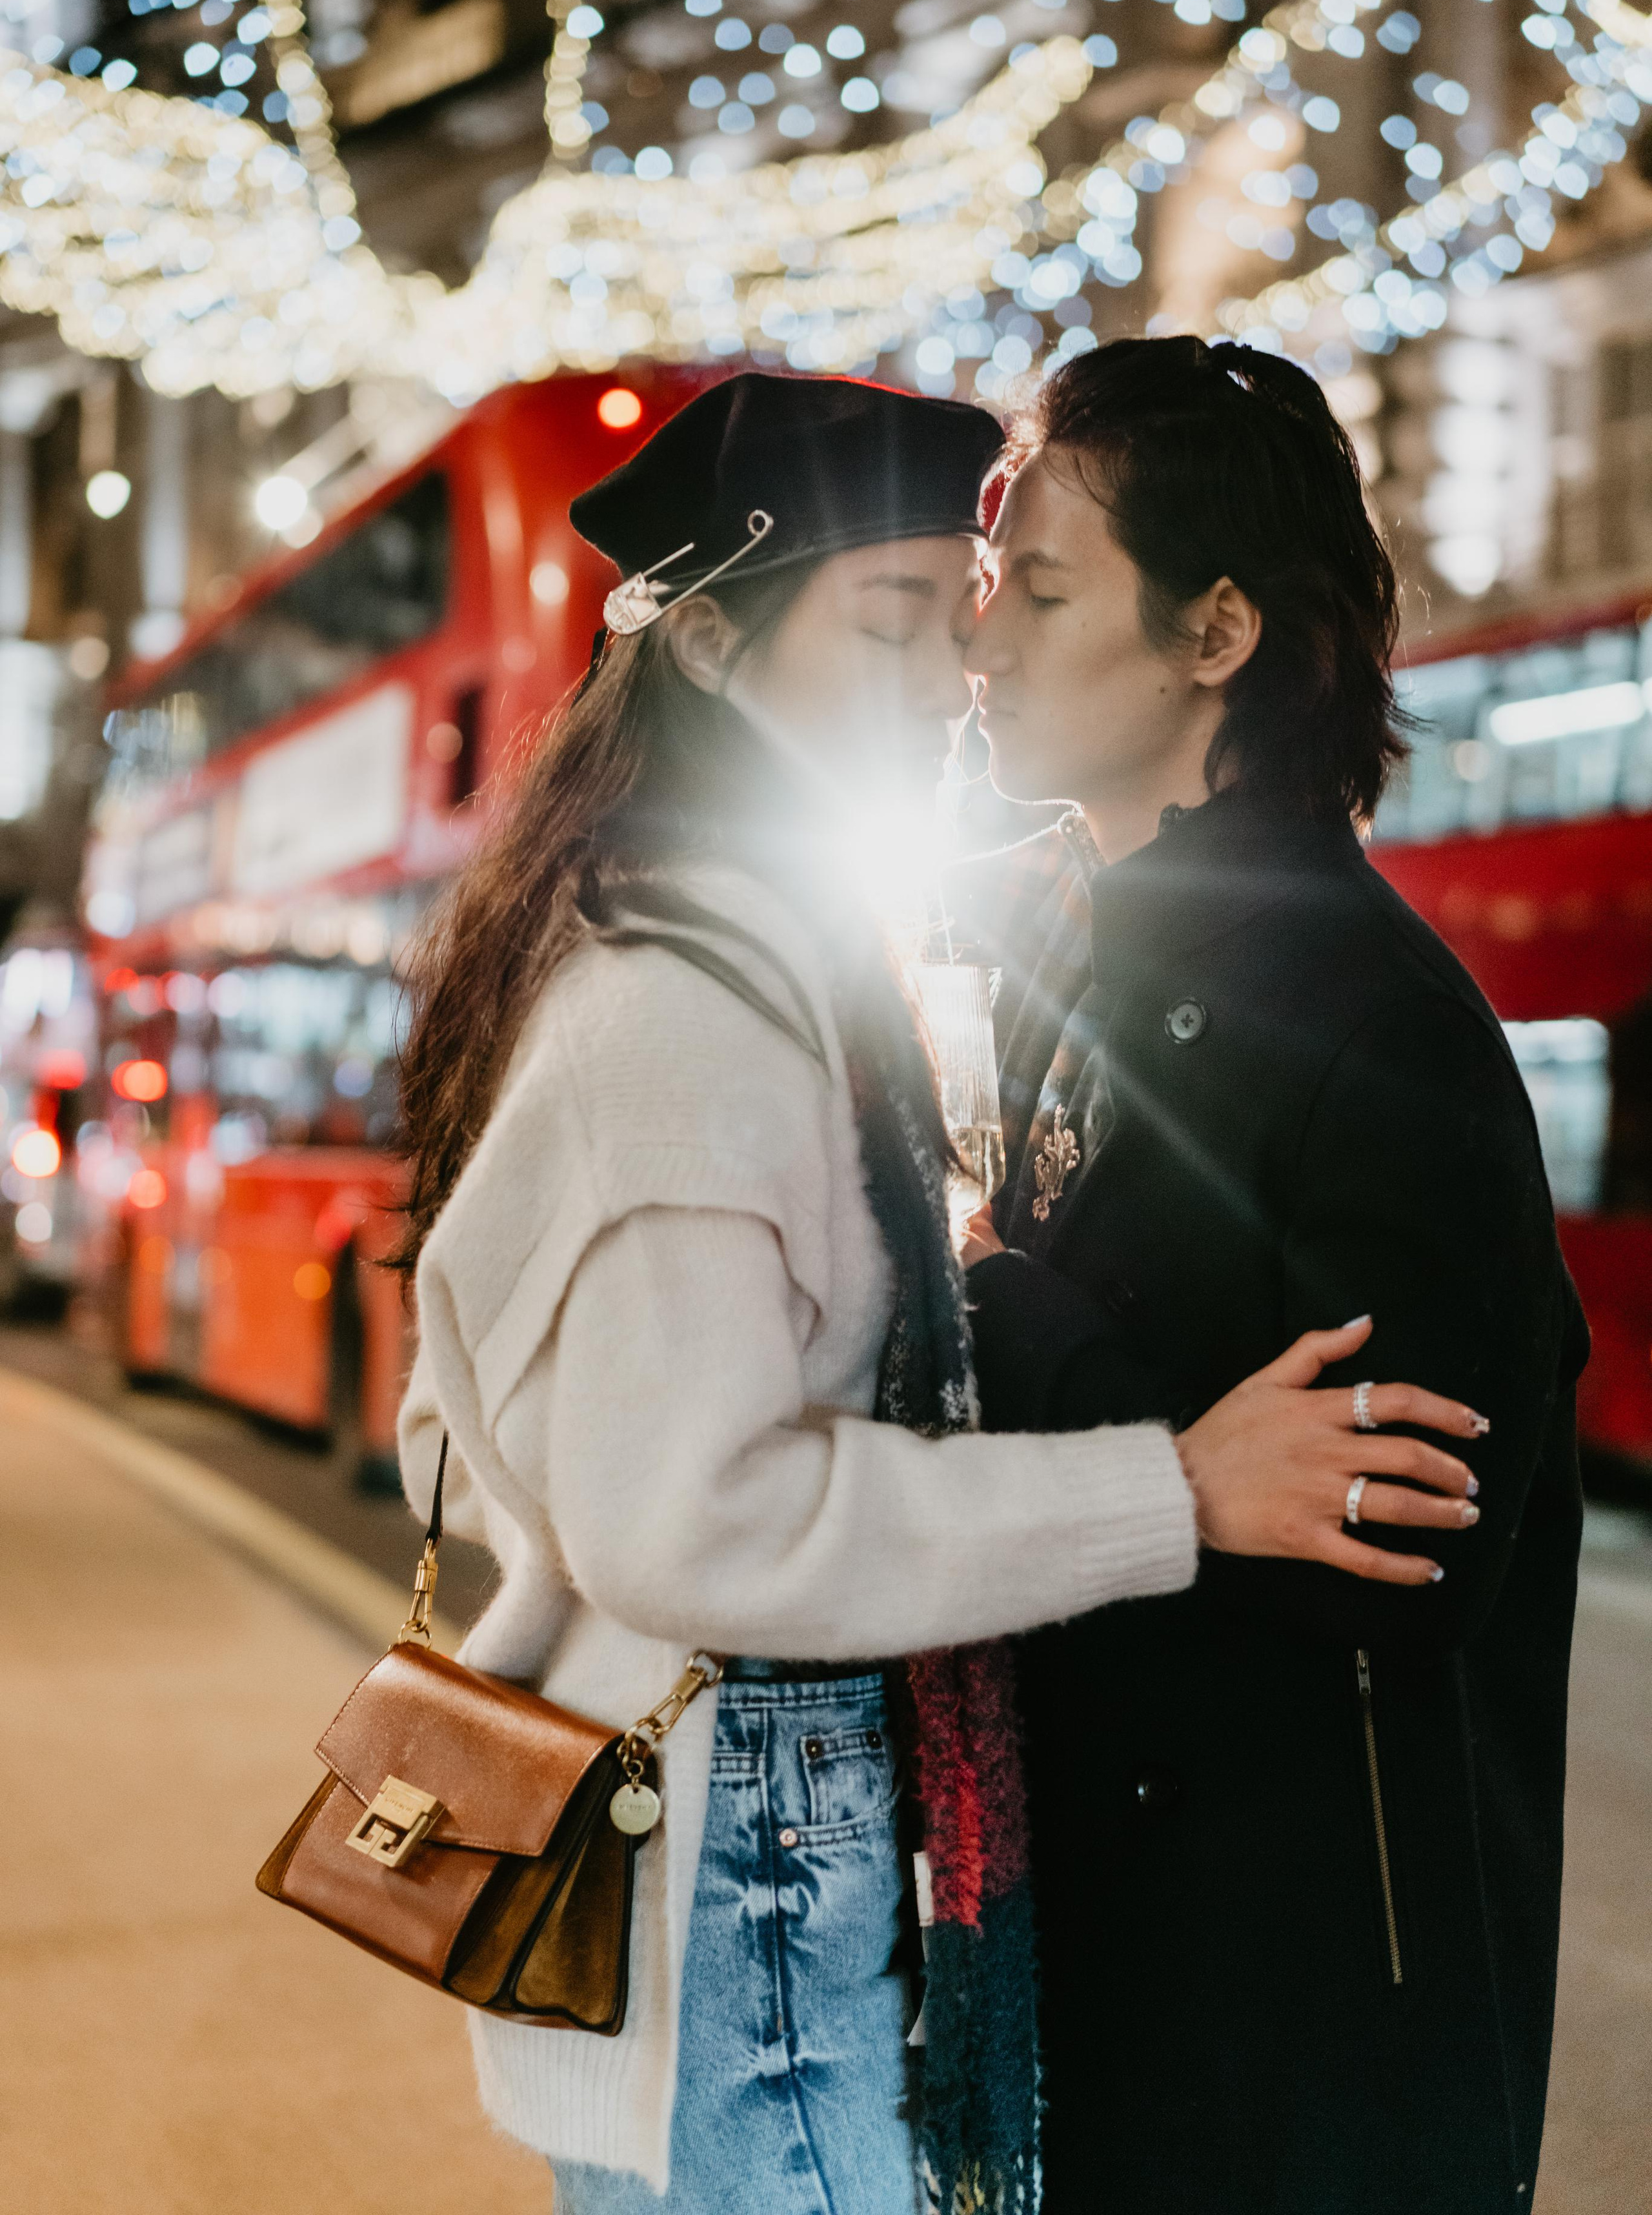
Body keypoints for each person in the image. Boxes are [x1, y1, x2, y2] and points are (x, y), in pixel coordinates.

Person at [393, 372, 1482, 2215]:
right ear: (721, 651)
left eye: (966, 605)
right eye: (895, 615)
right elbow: (695, 1520)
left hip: (756, 1835)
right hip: (748, 1847)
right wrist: (1179, 1487)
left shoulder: (723, 950)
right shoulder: (685, 1009)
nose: (953, 663)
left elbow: (494, 1420)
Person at [955, 335, 1588, 2215]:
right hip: (1121, 1955)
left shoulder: (1370, 1011)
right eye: (985, 593)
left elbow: (1413, 1547)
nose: (979, 649)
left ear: (1214, 631)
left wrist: (999, 1295)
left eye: (1042, 593)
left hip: (1313, 2031)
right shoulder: (1070, 963)